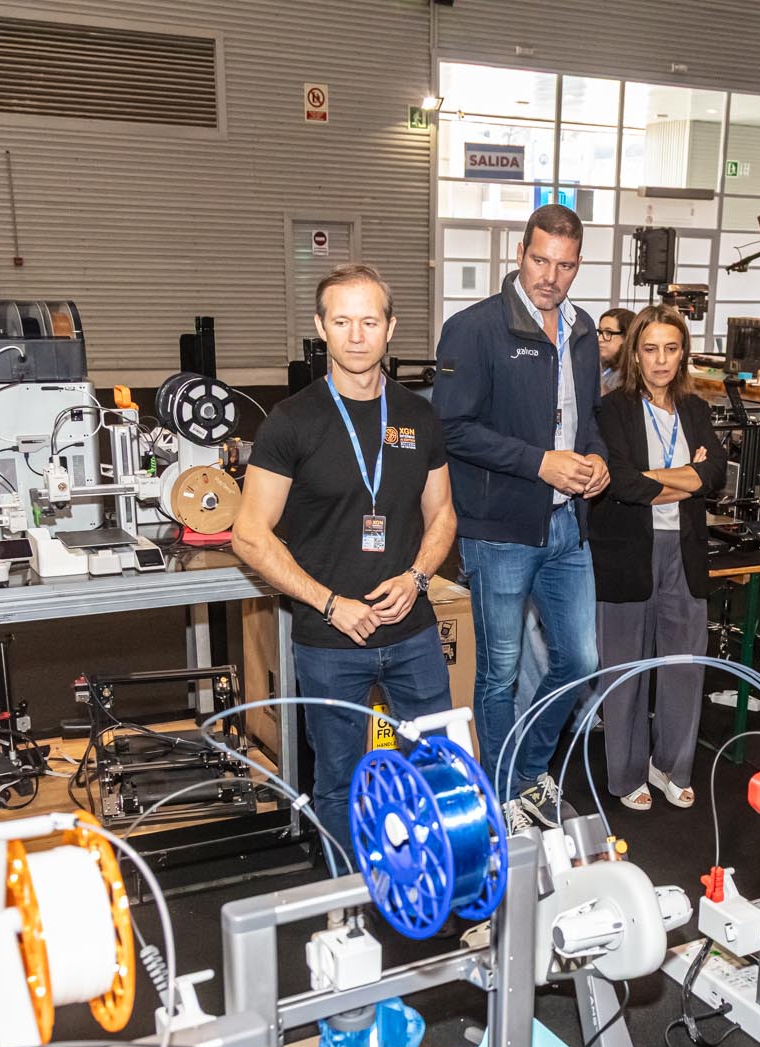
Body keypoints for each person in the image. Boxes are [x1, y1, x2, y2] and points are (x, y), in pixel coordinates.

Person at [233, 264, 456, 857]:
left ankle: (422, 881)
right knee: (338, 781)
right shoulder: (291, 422)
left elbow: (443, 515)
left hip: (411, 631)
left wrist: (417, 577)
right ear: (320, 327)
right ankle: (350, 894)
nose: (356, 336)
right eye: (342, 322)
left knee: (437, 767)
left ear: (390, 328)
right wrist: (330, 603)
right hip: (329, 639)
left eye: (369, 322)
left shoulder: (418, 415)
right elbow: (249, 535)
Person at [433, 204, 609, 829]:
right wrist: (540, 464)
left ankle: (530, 772)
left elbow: (588, 420)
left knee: (581, 662)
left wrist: (598, 460)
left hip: (568, 528)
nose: (549, 277)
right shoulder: (473, 329)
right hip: (500, 533)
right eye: (540, 260)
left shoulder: (583, 332)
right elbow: (451, 428)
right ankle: (504, 793)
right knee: (499, 673)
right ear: (519, 254)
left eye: (564, 265)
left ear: (578, 265)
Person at [591, 305, 726, 809]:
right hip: (628, 554)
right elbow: (621, 483)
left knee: (684, 666)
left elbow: (715, 475)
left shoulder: (695, 410)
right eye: (650, 349)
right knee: (625, 670)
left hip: (684, 554)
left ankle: (672, 765)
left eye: (671, 348)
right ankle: (627, 774)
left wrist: (657, 479)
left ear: (683, 353)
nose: (661, 360)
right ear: (635, 354)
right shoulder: (613, 410)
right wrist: (687, 478)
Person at [597, 307, 634, 393]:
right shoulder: (602, 365)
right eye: (600, 332)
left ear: (626, 337)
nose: (600, 339)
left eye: (608, 333)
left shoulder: (629, 377)